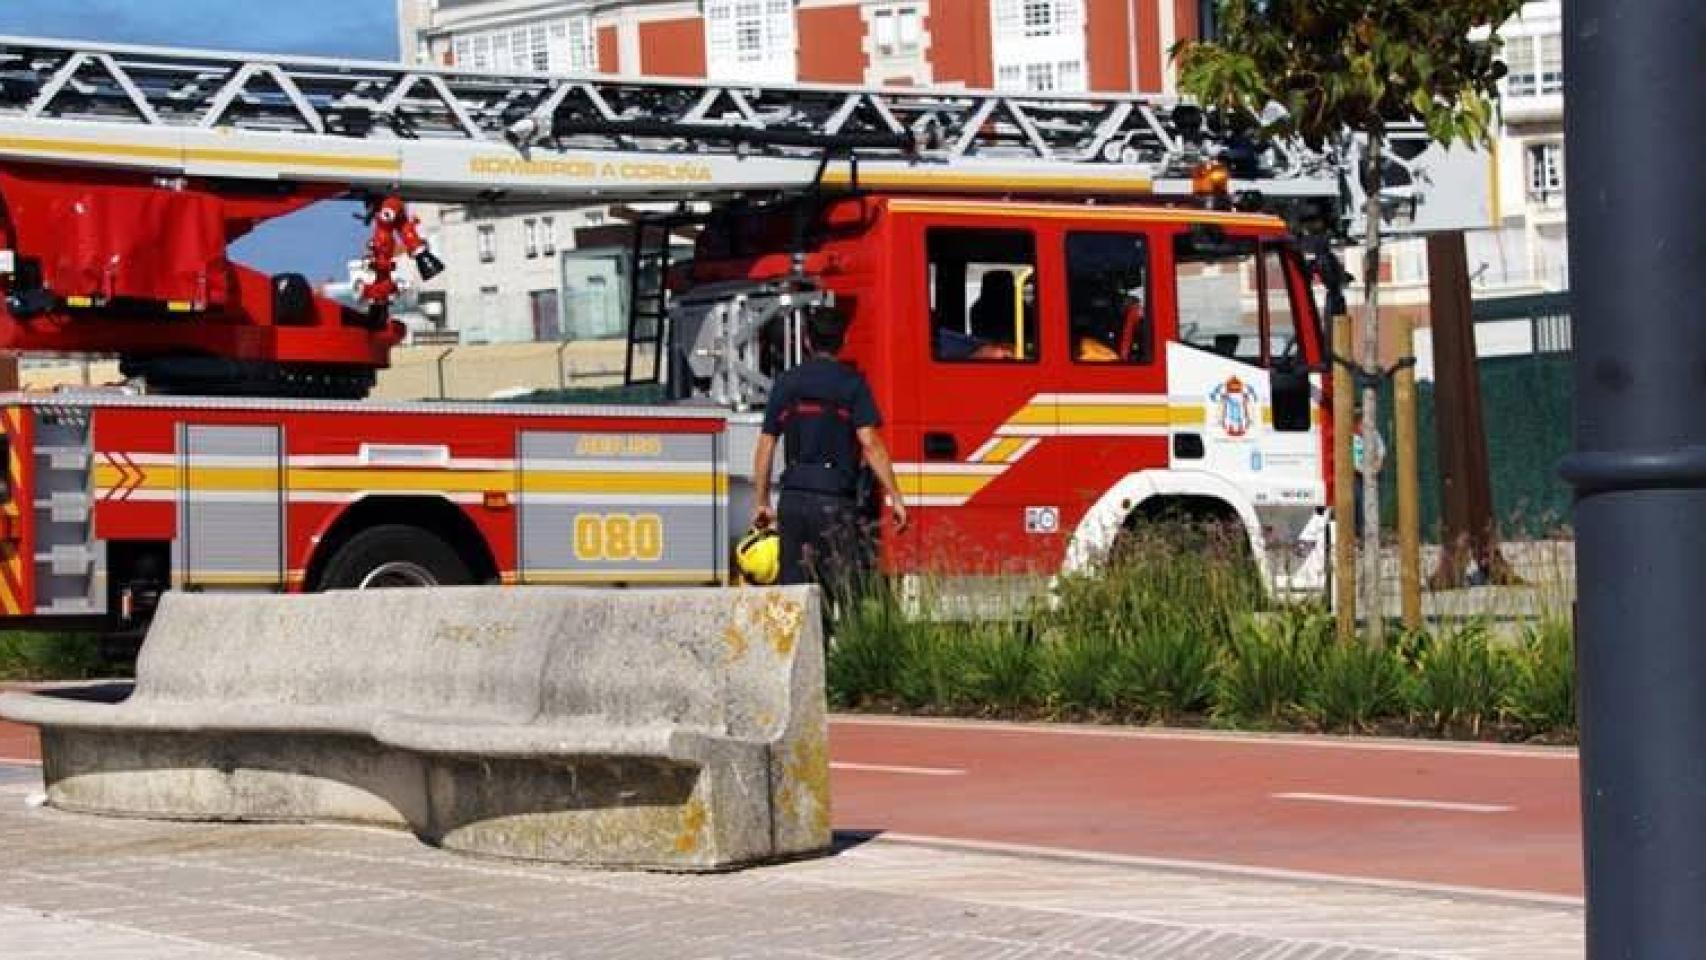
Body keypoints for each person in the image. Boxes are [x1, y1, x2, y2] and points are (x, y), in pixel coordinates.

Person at [752, 305, 908, 606]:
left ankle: (802, 651)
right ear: (844, 340)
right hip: (835, 499)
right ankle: (837, 650)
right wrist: (895, 495)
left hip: (794, 498)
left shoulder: (787, 382)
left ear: (808, 341)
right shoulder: (852, 384)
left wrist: (762, 502)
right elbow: (870, 443)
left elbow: (766, 444)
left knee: (794, 597)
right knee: (842, 592)